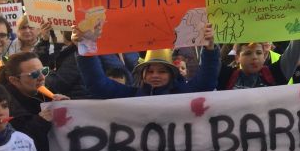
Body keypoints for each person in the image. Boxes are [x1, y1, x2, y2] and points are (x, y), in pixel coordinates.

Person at [75, 24, 219, 98]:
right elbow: (98, 85)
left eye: (162, 71)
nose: (155, 75)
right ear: (142, 74)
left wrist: (210, 49)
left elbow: (206, 83)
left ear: (171, 75)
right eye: (150, 71)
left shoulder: (182, 94)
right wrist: (84, 48)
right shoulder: (131, 95)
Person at [217, 38, 300, 90]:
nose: (254, 57)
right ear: (237, 57)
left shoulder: (276, 74)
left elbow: (294, 52)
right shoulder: (226, 77)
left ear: (264, 56)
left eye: (259, 53)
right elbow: (211, 64)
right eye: (248, 53)